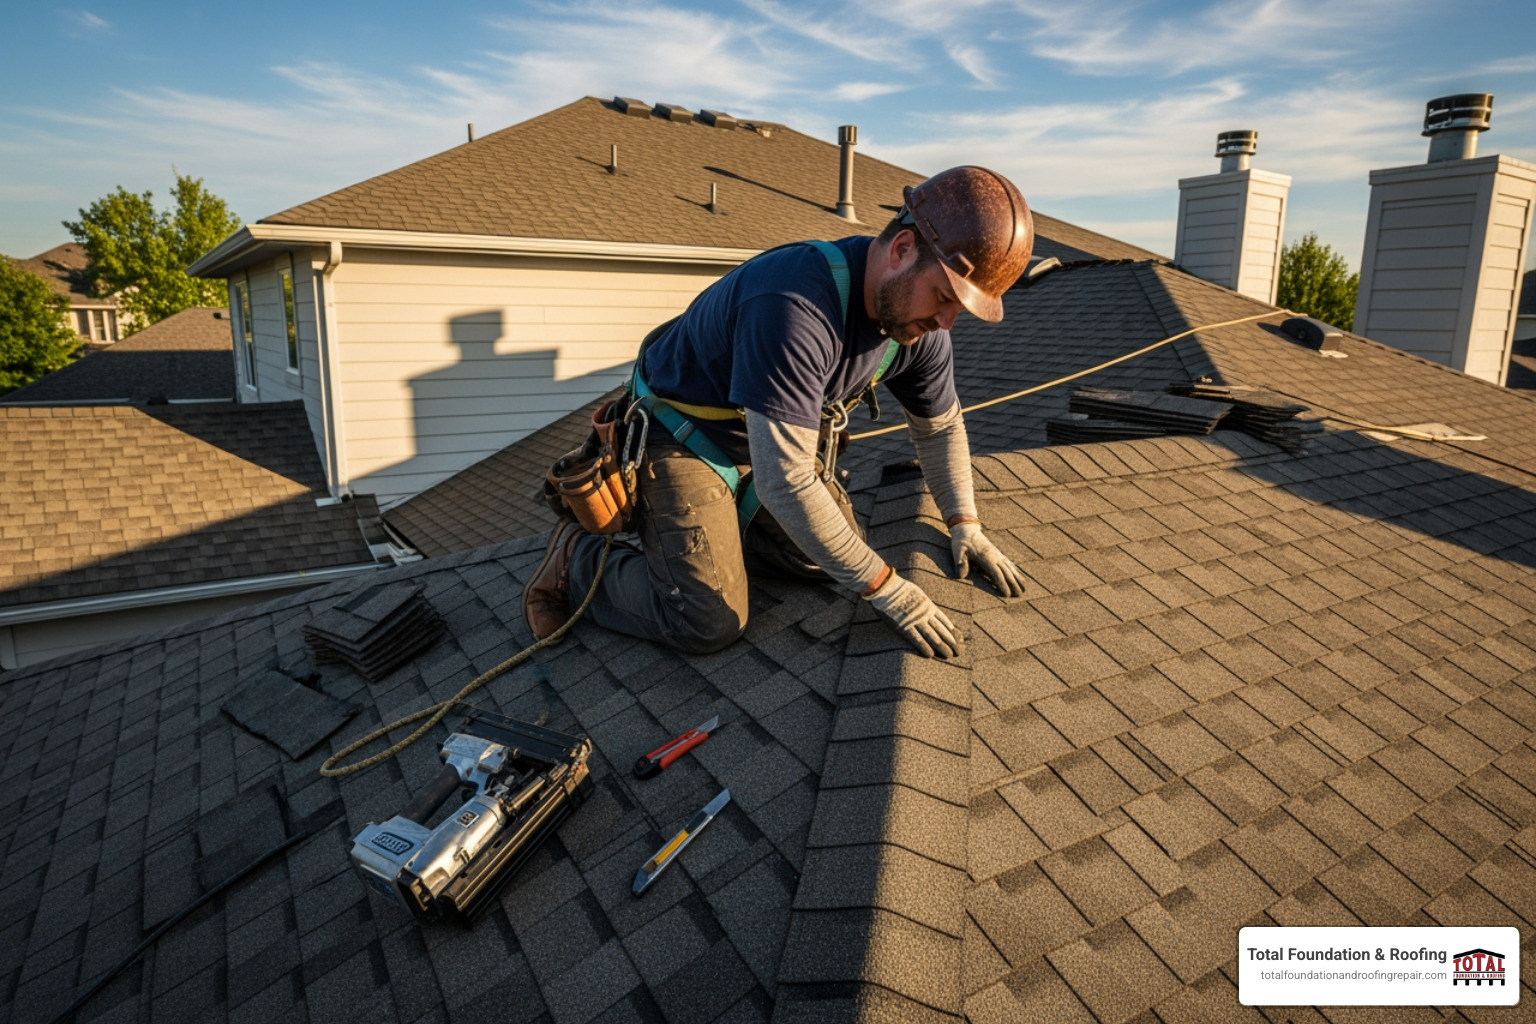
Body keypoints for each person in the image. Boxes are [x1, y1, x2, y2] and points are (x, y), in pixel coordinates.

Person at [523, 165, 1033, 659]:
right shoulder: (795, 304)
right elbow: (786, 482)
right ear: (902, 250)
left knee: (828, 558)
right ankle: (577, 561)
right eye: (944, 297)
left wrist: (965, 521)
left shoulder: (919, 327)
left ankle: (714, 540)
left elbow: (940, 428)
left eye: (958, 312)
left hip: (768, 446)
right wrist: (890, 591)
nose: (946, 323)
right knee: (707, 623)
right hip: (683, 439)